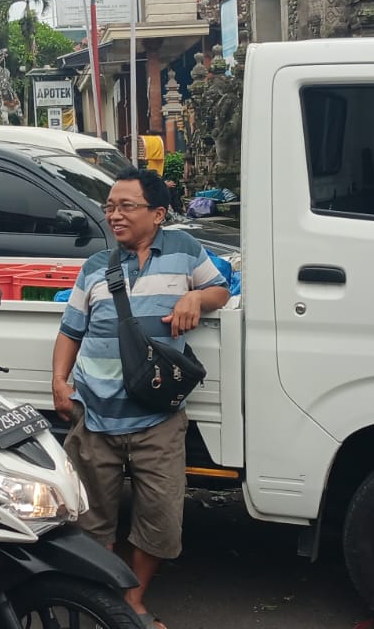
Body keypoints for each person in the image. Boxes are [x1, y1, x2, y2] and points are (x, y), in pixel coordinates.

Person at [51, 167, 230, 629]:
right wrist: (59, 380)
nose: (114, 215)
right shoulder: (95, 266)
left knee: (161, 520)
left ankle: (132, 600)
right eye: (110, 207)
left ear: (158, 214)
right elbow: (71, 330)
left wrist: (196, 299)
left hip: (157, 418)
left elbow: (219, 288)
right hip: (94, 414)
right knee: (91, 521)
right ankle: (105, 603)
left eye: (126, 206)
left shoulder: (184, 250)